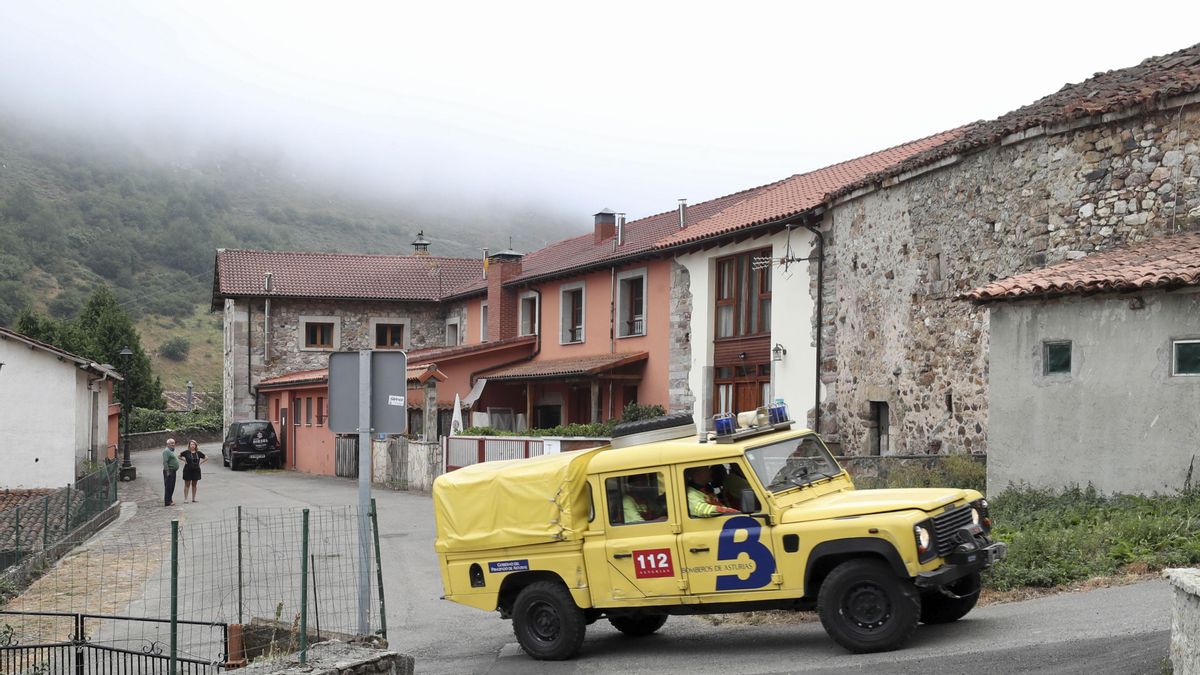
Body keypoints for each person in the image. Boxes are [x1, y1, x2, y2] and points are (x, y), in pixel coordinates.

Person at [162, 438, 180, 506]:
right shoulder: (166, 451)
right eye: (171, 443)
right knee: (168, 487)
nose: (173, 444)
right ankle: (167, 502)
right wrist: (167, 471)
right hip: (169, 471)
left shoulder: (172, 450)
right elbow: (165, 462)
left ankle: (170, 500)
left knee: (172, 486)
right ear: (168, 444)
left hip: (173, 471)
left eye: (174, 443)